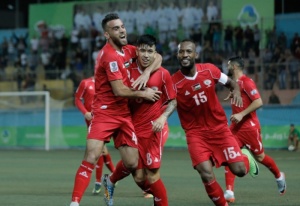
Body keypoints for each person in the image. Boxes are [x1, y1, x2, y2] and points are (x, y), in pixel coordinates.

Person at [69, 13, 162, 206]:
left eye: (122, 27)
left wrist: (146, 71)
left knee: (131, 163)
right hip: (104, 112)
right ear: (106, 34)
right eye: (116, 28)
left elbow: (157, 56)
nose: (122, 30)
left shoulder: (129, 50)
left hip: (124, 114)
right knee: (92, 156)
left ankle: (109, 180)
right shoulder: (109, 56)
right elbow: (119, 90)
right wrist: (143, 94)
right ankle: (75, 202)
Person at [171, 39, 259, 206]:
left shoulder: (210, 70)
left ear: (196, 54)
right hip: (195, 133)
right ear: (177, 55)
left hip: (219, 129)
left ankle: (246, 157)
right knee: (205, 173)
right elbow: (169, 103)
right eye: (182, 52)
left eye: (189, 51)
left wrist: (237, 92)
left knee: (239, 170)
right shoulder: (173, 81)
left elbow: (231, 83)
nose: (185, 55)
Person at [103, 34, 177, 206]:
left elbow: (173, 101)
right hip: (130, 127)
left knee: (152, 175)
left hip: (154, 129)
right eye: (142, 50)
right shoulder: (126, 70)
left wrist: (162, 117)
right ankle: (111, 180)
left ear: (155, 53)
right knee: (138, 176)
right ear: (136, 51)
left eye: (150, 51)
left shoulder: (163, 74)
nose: (146, 55)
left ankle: (158, 198)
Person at [223, 56, 286, 203]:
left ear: (235, 66)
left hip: (249, 128)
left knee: (260, 157)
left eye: (228, 64)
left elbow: (258, 101)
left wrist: (241, 114)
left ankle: (278, 176)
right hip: (235, 128)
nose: (226, 66)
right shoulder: (235, 84)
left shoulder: (247, 82)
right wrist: (233, 94)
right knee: (229, 155)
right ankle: (229, 191)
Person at [74, 76, 116, 194]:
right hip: (91, 119)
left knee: (100, 150)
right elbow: (77, 99)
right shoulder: (86, 83)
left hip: (106, 117)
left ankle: (106, 179)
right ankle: (107, 178)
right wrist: (85, 112)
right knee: (100, 150)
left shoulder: (110, 82)